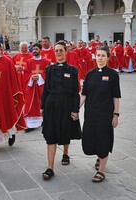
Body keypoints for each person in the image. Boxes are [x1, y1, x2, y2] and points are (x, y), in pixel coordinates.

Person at [41, 40, 81, 180]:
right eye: (56, 50)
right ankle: (50, 167)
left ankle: (65, 153)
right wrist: (42, 106)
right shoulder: (49, 69)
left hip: (66, 105)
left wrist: (75, 110)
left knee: (65, 131)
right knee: (51, 135)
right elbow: (46, 89)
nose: (58, 53)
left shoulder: (72, 70)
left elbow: (76, 92)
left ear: (66, 52)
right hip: (51, 104)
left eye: (61, 50)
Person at [80, 46, 121, 182]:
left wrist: (116, 115)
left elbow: (116, 96)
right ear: (95, 56)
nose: (100, 58)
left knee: (103, 139)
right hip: (90, 113)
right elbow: (84, 94)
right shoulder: (90, 74)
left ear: (108, 57)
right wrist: (75, 109)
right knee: (91, 137)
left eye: (103, 55)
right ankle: (99, 157)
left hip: (105, 114)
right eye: (98, 55)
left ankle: (101, 171)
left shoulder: (113, 75)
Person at [0, 41, 23, 149]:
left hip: (4, 96)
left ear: (1, 50)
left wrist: (12, 94)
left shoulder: (7, 62)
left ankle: (11, 134)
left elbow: (13, 79)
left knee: (6, 115)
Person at [23, 43, 50, 132]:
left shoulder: (46, 62)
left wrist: (39, 76)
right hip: (32, 86)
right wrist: (31, 77)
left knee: (42, 102)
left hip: (42, 86)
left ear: (40, 50)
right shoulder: (29, 61)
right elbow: (26, 73)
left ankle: (43, 121)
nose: (34, 51)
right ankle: (31, 125)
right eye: (33, 49)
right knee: (31, 104)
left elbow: (48, 73)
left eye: (36, 49)